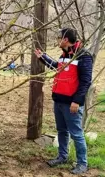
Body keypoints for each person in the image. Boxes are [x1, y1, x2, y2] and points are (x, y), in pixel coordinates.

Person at [34, 28, 93, 174]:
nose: (57, 40)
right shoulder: (65, 55)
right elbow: (58, 67)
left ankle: (82, 163)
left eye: (59, 38)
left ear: (65, 40)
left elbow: (86, 81)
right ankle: (62, 156)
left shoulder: (83, 56)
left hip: (71, 103)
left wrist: (77, 101)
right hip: (59, 100)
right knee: (62, 131)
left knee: (76, 134)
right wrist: (43, 58)